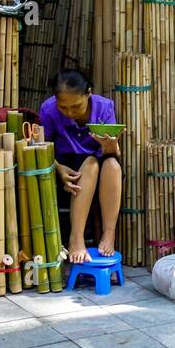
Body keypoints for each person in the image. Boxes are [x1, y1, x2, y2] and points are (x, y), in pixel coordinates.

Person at [37, 69, 123, 262]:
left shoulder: (104, 107)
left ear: (89, 93)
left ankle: (109, 233)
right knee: (90, 165)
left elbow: (113, 155)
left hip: (101, 163)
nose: (69, 113)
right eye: (63, 107)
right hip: (65, 165)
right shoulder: (48, 110)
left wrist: (111, 147)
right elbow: (42, 149)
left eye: (76, 107)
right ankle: (76, 238)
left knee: (110, 165)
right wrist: (58, 168)